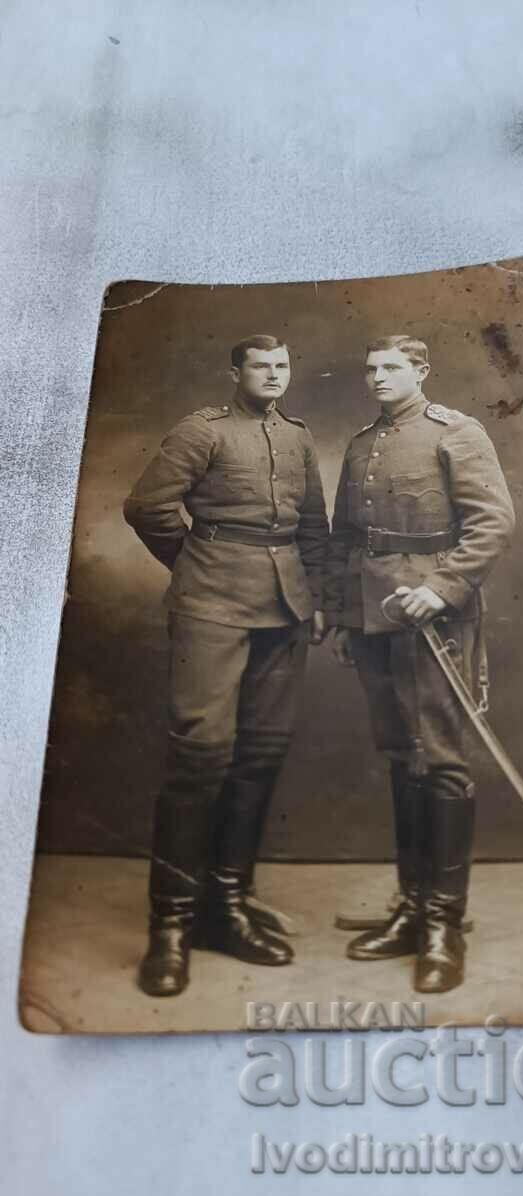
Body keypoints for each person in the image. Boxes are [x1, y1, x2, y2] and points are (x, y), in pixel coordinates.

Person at [124, 334, 329, 997]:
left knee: (260, 756)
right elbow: (147, 507)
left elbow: (313, 527)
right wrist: (195, 571)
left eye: (283, 365)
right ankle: (171, 926)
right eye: (261, 365)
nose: (273, 375)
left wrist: (316, 596)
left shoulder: (297, 438)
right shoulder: (201, 430)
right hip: (211, 605)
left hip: (286, 609)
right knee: (199, 757)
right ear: (233, 372)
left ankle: (225, 910)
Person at [326, 335, 515, 993]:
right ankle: (411, 910)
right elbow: (347, 535)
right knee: (402, 759)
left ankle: (442, 924)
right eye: (370, 367)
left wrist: (440, 587)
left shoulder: (454, 433)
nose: (377, 377)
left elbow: (492, 522)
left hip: (434, 614)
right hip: (375, 618)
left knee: (439, 761)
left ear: (421, 372)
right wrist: (346, 614)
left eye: (391, 368)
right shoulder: (358, 444)